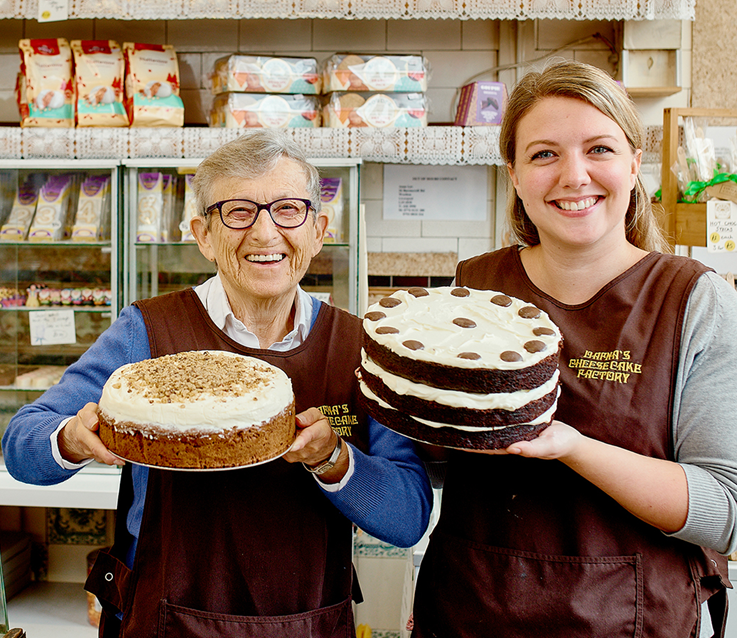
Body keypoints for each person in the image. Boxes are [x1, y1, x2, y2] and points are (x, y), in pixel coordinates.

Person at [3, 130, 432, 638]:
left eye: (288, 209)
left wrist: (336, 461)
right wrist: (73, 440)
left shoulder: (356, 347)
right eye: (238, 211)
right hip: (168, 620)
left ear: (318, 230)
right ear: (202, 234)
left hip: (308, 622)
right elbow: (21, 446)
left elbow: (408, 519)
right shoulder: (148, 331)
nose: (266, 233)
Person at [411, 61, 737, 638]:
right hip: (470, 611)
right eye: (544, 154)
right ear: (516, 175)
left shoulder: (694, 302)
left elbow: (730, 511)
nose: (574, 176)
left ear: (634, 164)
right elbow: (441, 459)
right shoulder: (472, 291)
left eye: (598, 149)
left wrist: (573, 448)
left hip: (631, 619)